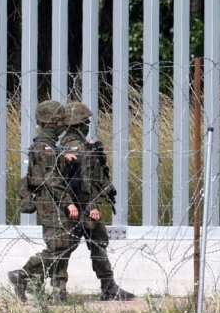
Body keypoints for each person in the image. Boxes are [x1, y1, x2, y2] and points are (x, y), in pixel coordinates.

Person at [9, 101, 136, 302]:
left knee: (73, 246)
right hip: (74, 205)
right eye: (85, 121)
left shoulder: (61, 146)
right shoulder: (59, 147)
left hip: (73, 204)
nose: (87, 125)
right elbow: (72, 180)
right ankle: (32, 278)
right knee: (63, 247)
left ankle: (71, 289)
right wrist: (88, 205)